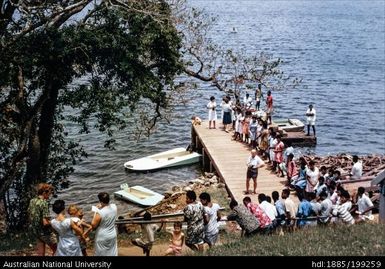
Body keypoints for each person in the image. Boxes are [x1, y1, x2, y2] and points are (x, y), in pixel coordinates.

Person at [27, 183, 57, 256]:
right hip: (45, 232)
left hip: (36, 231)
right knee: (57, 250)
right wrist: (55, 224)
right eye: (49, 193)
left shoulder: (32, 201)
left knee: (40, 253)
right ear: (44, 192)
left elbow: (30, 215)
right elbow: (45, 222)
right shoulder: (44, 203)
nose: (50, 195)